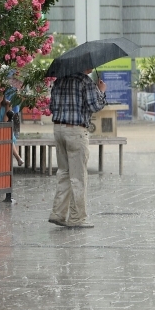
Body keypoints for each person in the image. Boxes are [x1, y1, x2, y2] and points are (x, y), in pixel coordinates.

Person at [48, 69, 107, 228]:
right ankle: (77, 218)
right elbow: (95, 106)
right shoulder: (84, 81)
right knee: (78, 176)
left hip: (58, 129)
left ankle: (58, 213)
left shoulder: (59, 80)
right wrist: (100, 91)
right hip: (76, 131)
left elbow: (51, 107)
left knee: (64, 173)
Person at [0, 99, 24, 166]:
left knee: (7, 136)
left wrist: (7, 107)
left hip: (3, 130)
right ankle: (18, 157)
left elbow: (5, 122)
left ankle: (18, 158)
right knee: (7, 136)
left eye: (1, 95)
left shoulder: (6, 106)